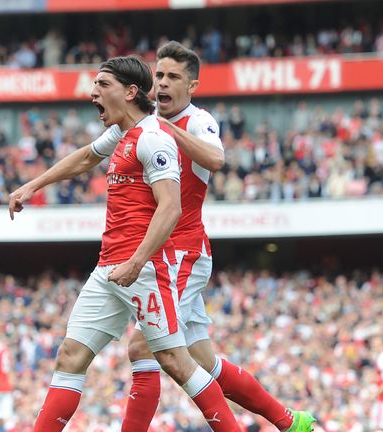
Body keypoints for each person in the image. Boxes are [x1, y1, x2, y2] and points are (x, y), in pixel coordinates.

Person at [8, 55, 241, 432]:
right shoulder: (123, 133)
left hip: (145, 270)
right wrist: (33, 186)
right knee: (70, 355)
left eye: (102, 85)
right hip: (108, 268)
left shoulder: (153, 137)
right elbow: (85, 157)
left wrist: (137, 262)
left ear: (130, 92)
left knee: (175, 360)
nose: (92, 93)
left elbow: (171, 207)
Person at [93, 41, 316, 432]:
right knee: (203, 362)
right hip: (161, 258)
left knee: (143, 347)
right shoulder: (143, 123)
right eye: (159, 75)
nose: (162, 84)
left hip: (183, 253)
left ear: (191, 86)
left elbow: (215, 159)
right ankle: (292, 422)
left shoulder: (197, 120)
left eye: (173, 77)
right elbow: (88, 155)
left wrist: (167, 130)